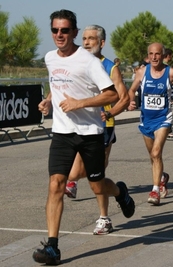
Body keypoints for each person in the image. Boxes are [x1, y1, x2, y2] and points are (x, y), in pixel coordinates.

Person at [32, 10, 135, 265]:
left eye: (65, 30)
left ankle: (120, 192)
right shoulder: (49, 58)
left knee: (97, 185)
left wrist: (80, 103)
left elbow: (112, 95)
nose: (59, 35)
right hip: (62, 133)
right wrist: (47, 101)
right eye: (55, 30)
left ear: (74, 33)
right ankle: (53, 247)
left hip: (90, 133)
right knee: (56, 184)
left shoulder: (88, 61)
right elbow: (56, 85)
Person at [63, 25, 131, 235]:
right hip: (77, 126)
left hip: (102, 127)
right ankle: (119, 192)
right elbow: (62, 87)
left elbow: (124, 97)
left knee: (96, 177)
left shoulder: (110, 67)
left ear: (102, 43)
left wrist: (110, 114)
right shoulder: (75, 62)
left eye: (91, 38)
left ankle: (104, 218)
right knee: (74, 174)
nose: (86, 42)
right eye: (84, 38)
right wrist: (47, 101)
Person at [127, 42, 173, 205]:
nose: (154, 57)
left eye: (157, 54)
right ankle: (162, 177)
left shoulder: (171, 73)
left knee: (155, 153)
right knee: (153, 156)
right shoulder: (142, 72)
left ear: (163, 55)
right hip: (146, 119)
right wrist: (131, 101)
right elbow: (131, 90)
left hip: (163, 119)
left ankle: (155, 190)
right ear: (148, 56)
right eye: (151, 54)